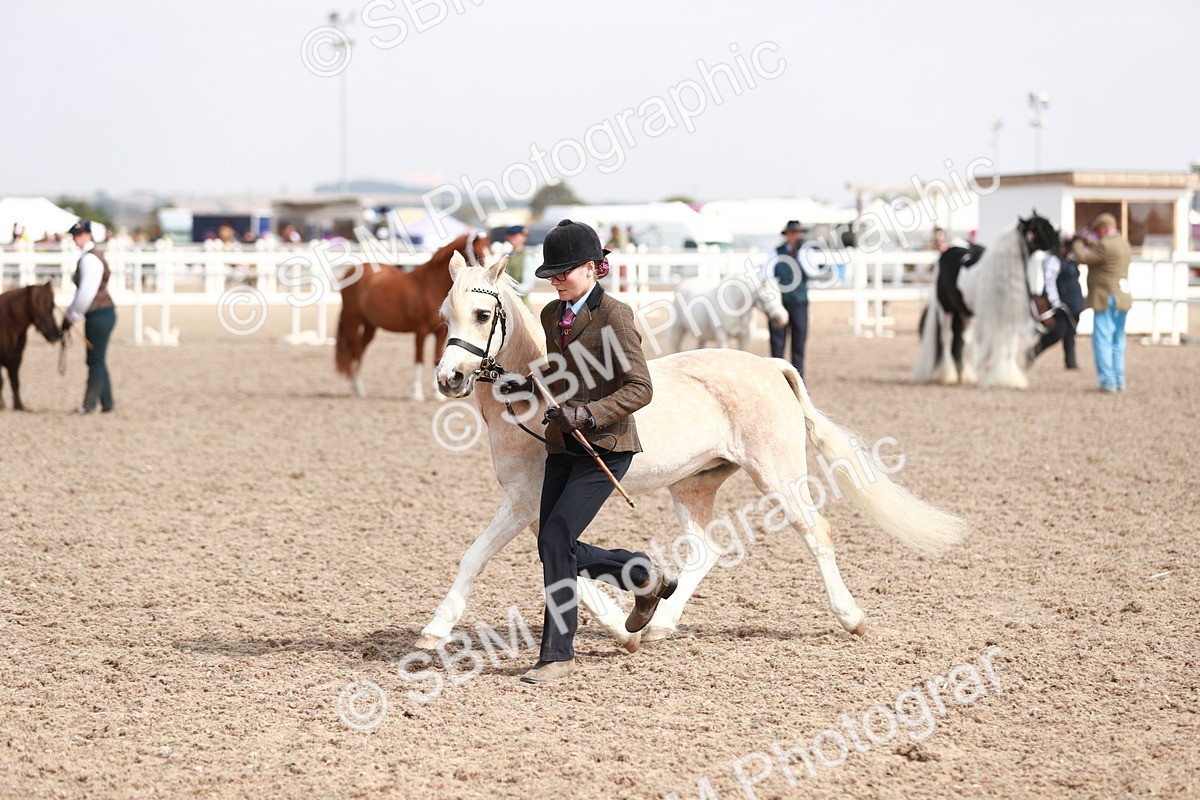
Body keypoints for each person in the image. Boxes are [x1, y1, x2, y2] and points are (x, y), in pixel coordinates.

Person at [499, 219, 672, 685]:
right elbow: (561, 375)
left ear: (595, 268)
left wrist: (588, 414)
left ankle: (558, 654)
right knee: (551, 544)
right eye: (551, 273)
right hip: (563, 445)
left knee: (555, 538)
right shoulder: (552, 317)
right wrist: (526, 385)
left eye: (565, 271)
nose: (556, 280)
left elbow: (640, 387)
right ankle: (642, 576)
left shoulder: (616, 315)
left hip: (607, 445)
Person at [1072, 212, 1132, 392]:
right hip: (1122, 297)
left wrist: (1077, 242)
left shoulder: (1105, 246)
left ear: (1103, 229)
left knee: (1102, 340)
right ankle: (1119, 380)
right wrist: (1089, 241)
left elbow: (1083, 257)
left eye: (1097, 232)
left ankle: (1108, 381)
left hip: (1106, 298)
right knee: (1118, 340)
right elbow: (1100, 248)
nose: (1096, 236)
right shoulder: (1124, 244)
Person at [62, 219, 116, 414]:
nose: (77, 239)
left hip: (98, 314)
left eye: (79, 235)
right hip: (101, 313)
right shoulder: (91, 256)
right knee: (98, 357)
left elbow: (86, 294)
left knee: (95, 359)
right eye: (75, 235)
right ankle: (107, 402)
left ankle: (89, 404)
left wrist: (72, 315)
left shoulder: (90, 259)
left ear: (88, 234)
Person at [766, 220, 821, 380]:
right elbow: (767, 275)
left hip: (799, 302)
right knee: (777, 345)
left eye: (797, 233)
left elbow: (813, 271)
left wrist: (800, 253)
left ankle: (799, 381)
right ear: (787, 235)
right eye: (792, 233)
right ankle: (777, 379)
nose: (795, 236)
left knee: (798, 345)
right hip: (779, 303)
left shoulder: (806, 252)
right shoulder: (776, 252)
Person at [1026, 234, 1084, 370]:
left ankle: (1071, 362)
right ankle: (1034, 351)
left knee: (1071, 332)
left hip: (1074, 301)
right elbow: (1049, 281)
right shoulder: (1053, 260)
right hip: (1061, 303)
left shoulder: (1070, 259)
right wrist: (1055, 301)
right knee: (1058, 331)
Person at [501, 224, 533, 302]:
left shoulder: (527, 257)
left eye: (516, 235)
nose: (512, 238)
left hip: (521, 304)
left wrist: (506, 289)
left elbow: (526, 287)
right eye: (510, 235)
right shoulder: (505, 256)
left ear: (524, 237)